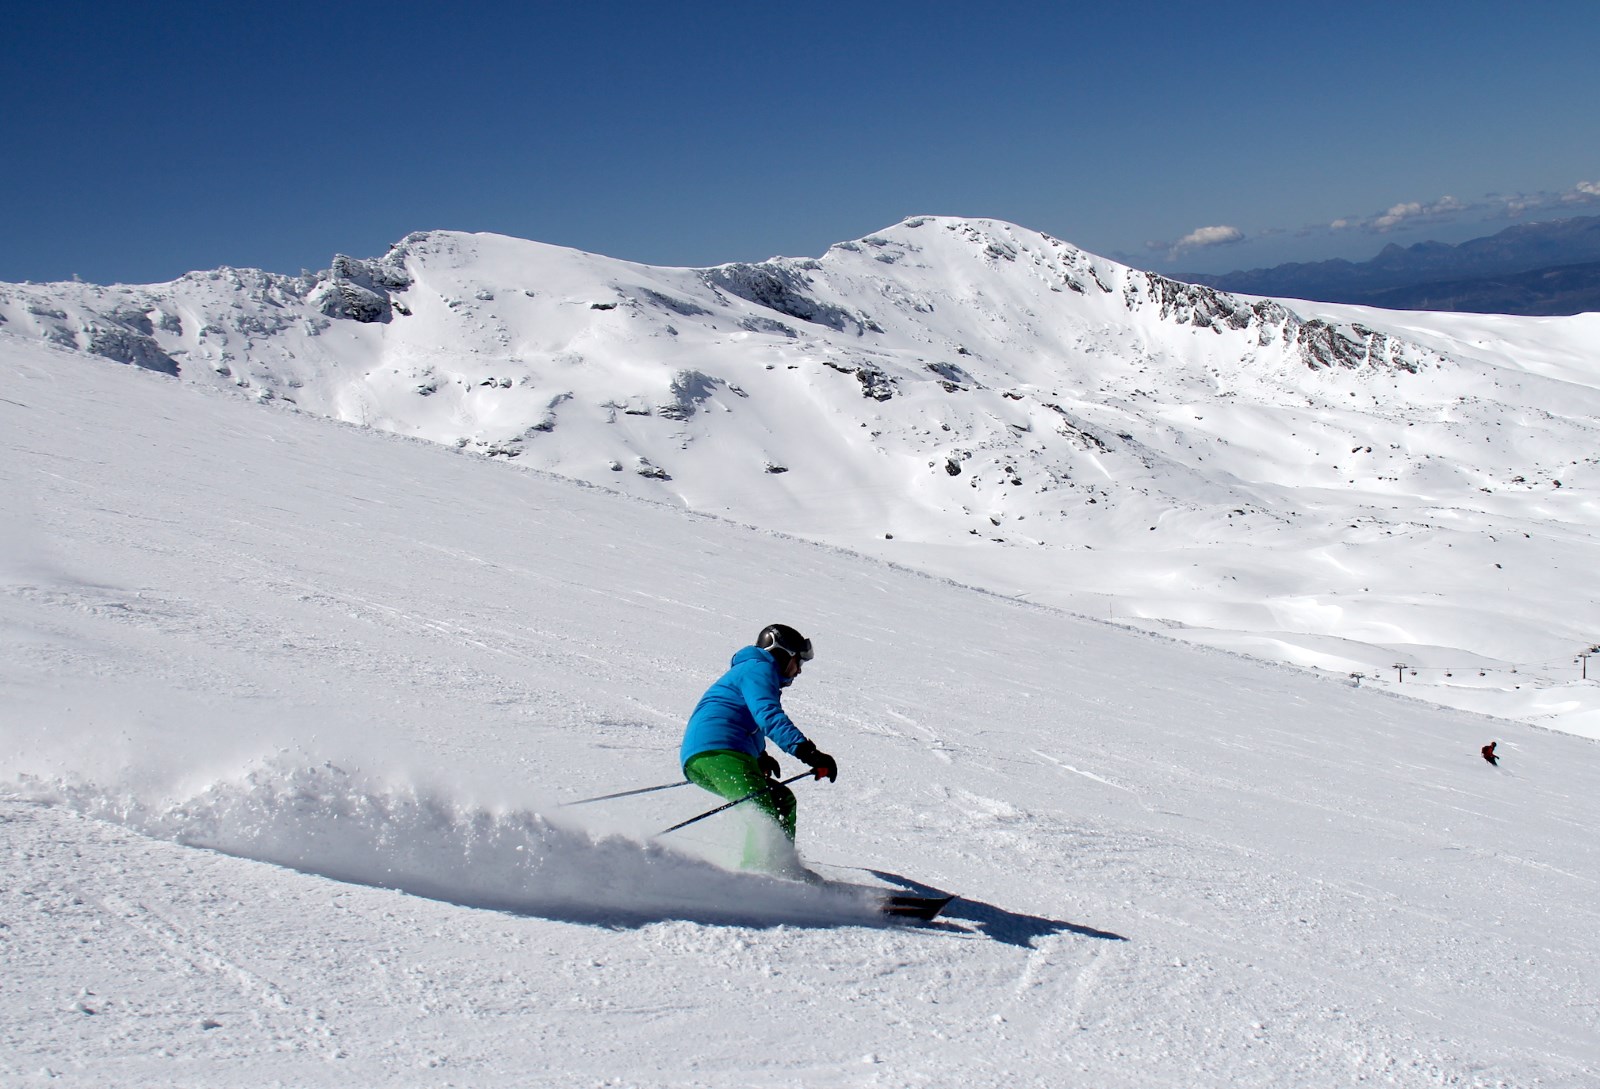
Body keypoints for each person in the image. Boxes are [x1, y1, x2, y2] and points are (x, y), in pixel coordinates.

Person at [679, 623, 837, 874]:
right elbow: (768, 715)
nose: (798, 671)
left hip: (713, 755)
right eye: (798, 661)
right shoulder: (760, 667)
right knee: (760, 811)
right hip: (718, 752)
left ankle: (780, 867)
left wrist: (760, 755)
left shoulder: (753, 670)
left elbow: (745, 719)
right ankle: (762, 873)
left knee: (780, 800)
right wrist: (809, 753)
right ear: (782, 653)